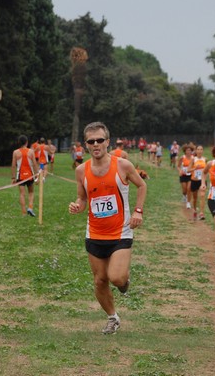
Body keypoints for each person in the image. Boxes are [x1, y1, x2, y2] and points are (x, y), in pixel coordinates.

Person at [68, 121, 147, 335]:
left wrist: (138, 211)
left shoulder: (123, 165)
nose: (96, 144)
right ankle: (112, 317)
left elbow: (141, 185)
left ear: (107, 142)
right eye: (91, 141)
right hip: (94, 233)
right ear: (86, 145)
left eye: (100, 140)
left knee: (117, 278)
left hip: (120, 232)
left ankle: (124, 282)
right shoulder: (81, 171)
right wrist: (77, 205)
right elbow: (83, 198)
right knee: (100, 280)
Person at [11, 135, 39, 217]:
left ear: (19, 142)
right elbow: (34, 164)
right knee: (31, 192)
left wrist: (13, 177)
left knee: (22, 194)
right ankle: (30, 207)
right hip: (30, 176)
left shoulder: (15, 152)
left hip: (20, 176)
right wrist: (37, 175)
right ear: (27, 142)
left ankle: (23, 212)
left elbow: (13, 165)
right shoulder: (31, 151)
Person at [187, 145, 207, 221]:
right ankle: (195, 209)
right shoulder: (193, 159)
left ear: (203, 151)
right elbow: (188, 170)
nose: (199, 151)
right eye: (198, 149)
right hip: (194, 180)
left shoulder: (205, 159)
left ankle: (202, 213)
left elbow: (208, 170)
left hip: (202, 181)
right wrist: (195, 168)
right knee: (195, 198)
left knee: (202, 196)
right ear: (196, 151)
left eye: (201, 149)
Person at [177, 143, 194, 208]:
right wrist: (180, 171)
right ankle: (184, 195)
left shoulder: (193, 158)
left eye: (190, 150)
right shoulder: (182, 157)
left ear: (191, 151)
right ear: (185, 151)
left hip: (190, 175)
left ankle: (188, 203)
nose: (188, 152)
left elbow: (194, 166)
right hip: (183, 175)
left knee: (189, 188)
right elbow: (178, 166)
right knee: (184, 189)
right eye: (187, 150)